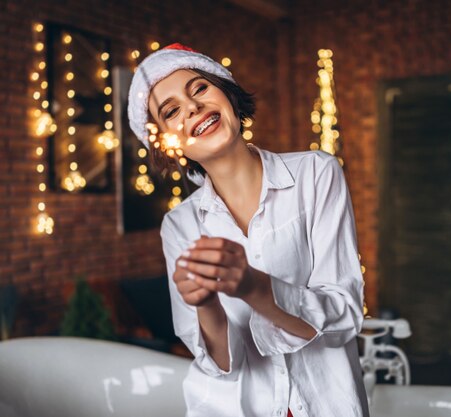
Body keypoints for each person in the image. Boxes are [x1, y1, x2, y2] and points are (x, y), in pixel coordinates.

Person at [127, 43, 369, 417]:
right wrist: (205, 304)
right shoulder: (179, 225)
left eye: (200, 89)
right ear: (166, 145)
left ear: (228, 94)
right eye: (171, 111)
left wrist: (255, 288)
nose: (192, 108)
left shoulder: (317, 174)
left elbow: (345, 316)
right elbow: (221, 365)